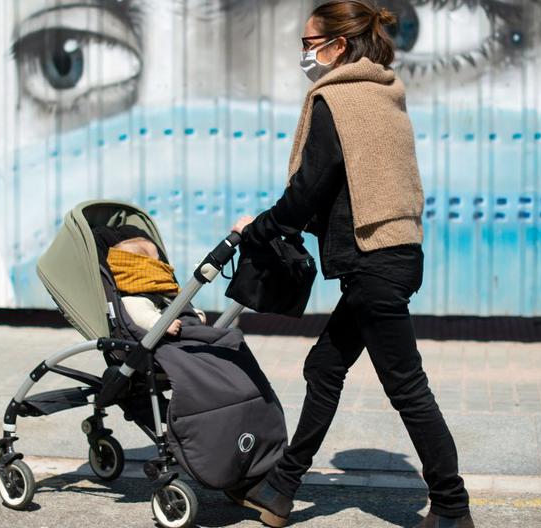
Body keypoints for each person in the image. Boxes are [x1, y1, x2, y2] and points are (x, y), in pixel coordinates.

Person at [228, 1, 472, 527]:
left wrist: (260, 228)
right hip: (398, 255)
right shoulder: (385, 97)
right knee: (325, 367)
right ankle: (281, 487)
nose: (305, 51)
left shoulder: (335, 103)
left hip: (371, 266)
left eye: (308, 41)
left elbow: (307, 191)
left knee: (408, 388)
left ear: (338, 45)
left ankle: (452, 506)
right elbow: (346, 188)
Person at [93, 225, 207, 336]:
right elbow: (140, 316)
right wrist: (161, 324)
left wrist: (195, 314)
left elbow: (177, 306)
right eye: (157, 262)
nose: (163, 265)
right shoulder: (133, 301)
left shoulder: (163, 295)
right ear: (144, 268)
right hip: (162, 342)